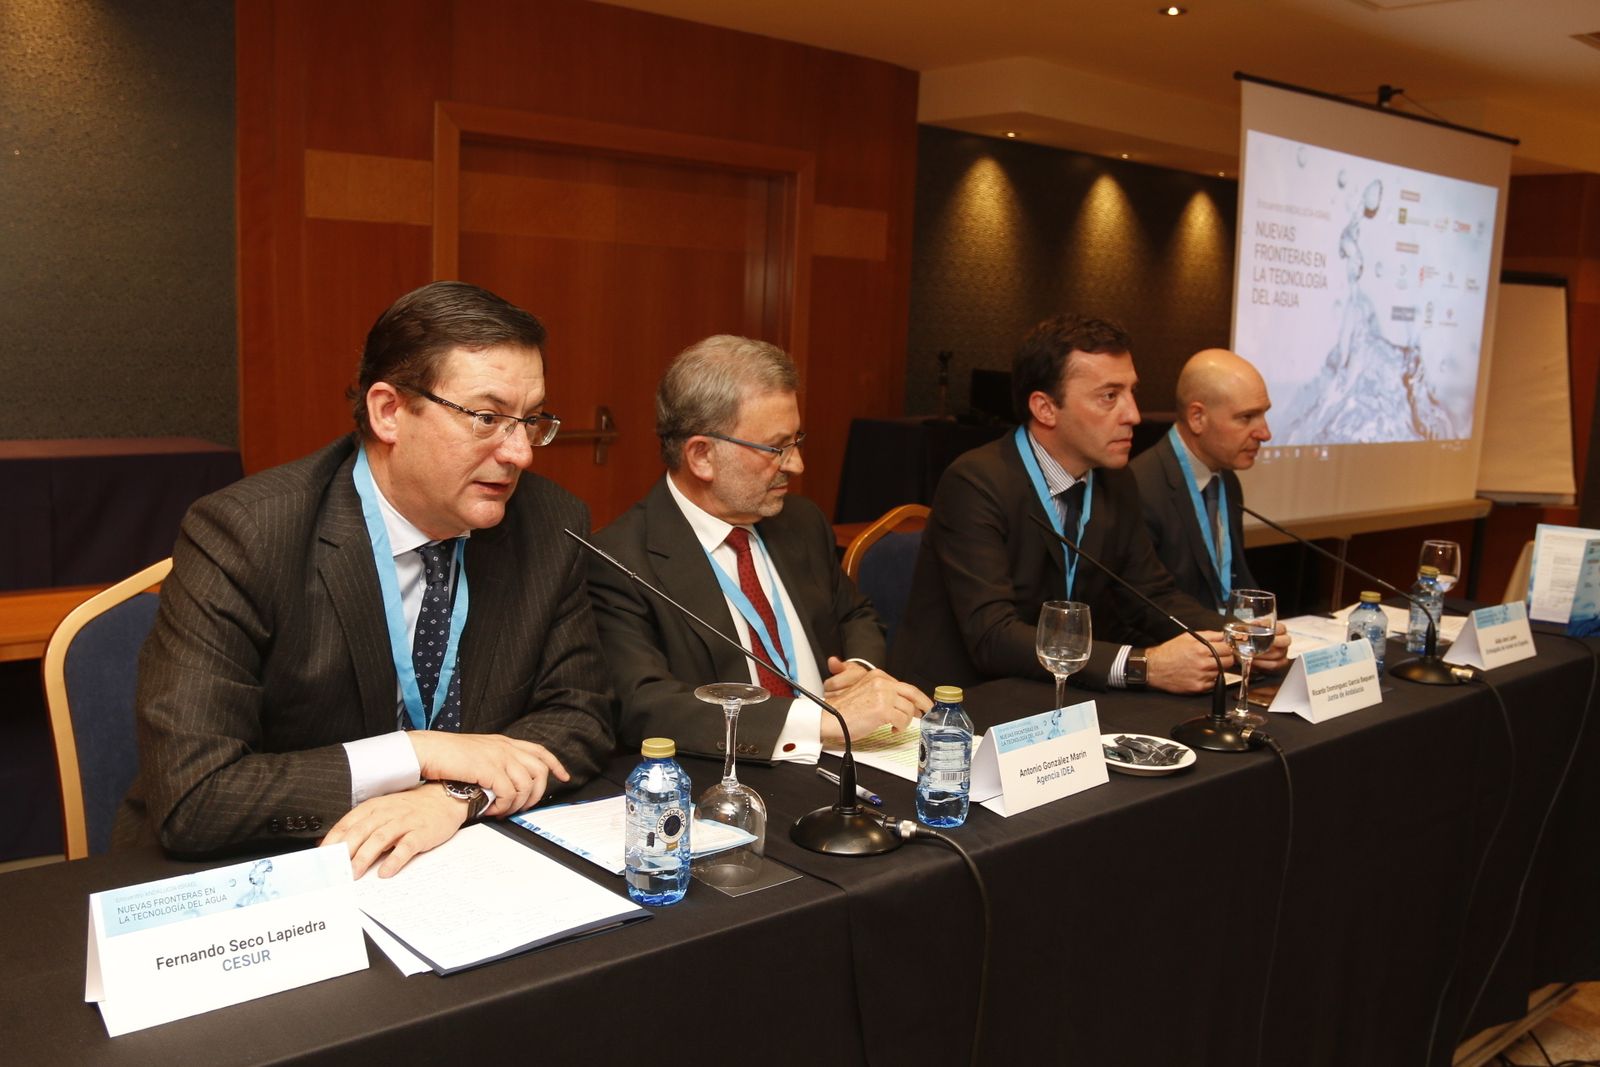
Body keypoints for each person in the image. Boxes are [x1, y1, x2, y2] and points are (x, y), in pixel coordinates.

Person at [116, 281, 613, 877]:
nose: (521, 453)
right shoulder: (247, 534)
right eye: (487, 418)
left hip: (460, 861)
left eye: (530, 421)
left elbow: (580, 715)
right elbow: (196, 796)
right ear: (389, 412)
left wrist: (454, 795)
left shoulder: (550, 522)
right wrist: (420, 755)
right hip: (279, 870)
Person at [893, 314, 1286, 697]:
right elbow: (993, 636)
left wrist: (1238, 635)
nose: (1133, 414)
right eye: (1109, 397)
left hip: (1060, 691)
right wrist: (1143, 666)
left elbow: (1153, 596)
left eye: (1131, 392)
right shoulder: (976, 483)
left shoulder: (1114, 480)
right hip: (960, 703)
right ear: (1045, 408)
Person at [588, 335, 931, 763]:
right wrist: (820, 723)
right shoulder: (619, 559)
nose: (797, 464)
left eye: (796, 441)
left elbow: (855, 613)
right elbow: (647, 705)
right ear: (702, 456)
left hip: (853, 757)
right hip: (737, 773)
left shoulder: (800, 521)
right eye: (776, 448)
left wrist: (858, 672)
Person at [1130, 348, 1271, 613]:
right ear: (1197, 418)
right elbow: (1147, 607)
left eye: (1264, 414)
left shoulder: (1227, 481)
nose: (1265, 433)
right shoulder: (1139, 488)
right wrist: (1233, 632)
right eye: (1246, 417)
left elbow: (1231, 578)